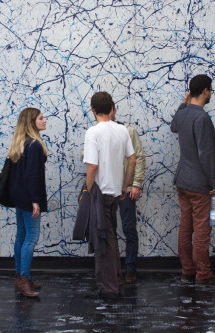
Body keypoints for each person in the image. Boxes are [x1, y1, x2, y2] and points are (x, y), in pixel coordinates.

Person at [171, 74, 215, 286]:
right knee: (202, 231)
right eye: (211, 89)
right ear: (205, 90)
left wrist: (183, 103)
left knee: (186, 228)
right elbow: (207, 154)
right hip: (199, 184)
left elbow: (173, 126)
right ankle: (203, 275)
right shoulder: (202, 118)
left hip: (183, 181)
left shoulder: (184, 114)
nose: (211, 93)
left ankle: (187, 270)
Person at [83, 92, 136, 296]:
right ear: (112, 107)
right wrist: (124, 185)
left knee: (104, 239)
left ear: (93, 109)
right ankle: (116, 279)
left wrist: (87, 191)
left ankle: (108, 287)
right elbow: (132, 159)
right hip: (115, 192)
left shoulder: (93, 133)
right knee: (111, 235)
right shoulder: (122, 130)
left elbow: (92, 166)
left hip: (100, 192)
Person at [8, 107, 48, 297]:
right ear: (32, 122)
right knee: (31, 236)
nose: (44, 120)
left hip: (19, 197)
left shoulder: (20, 143)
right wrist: (35, 200)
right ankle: (24, 279)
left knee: (21, 236)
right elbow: (33, 175)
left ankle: (21, 276)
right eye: (41, 118)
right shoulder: (35, 145)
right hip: (29, 198)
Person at [111, 113, 146, 284]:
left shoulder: (128, 131)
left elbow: (138, 157)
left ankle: (130, 268)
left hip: (127, 185)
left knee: (129, 228)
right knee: (107, 230)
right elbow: (85, 155)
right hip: (107, 188)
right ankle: (112, 268)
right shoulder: (96, 132)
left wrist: (137, 183)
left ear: (114, 110)